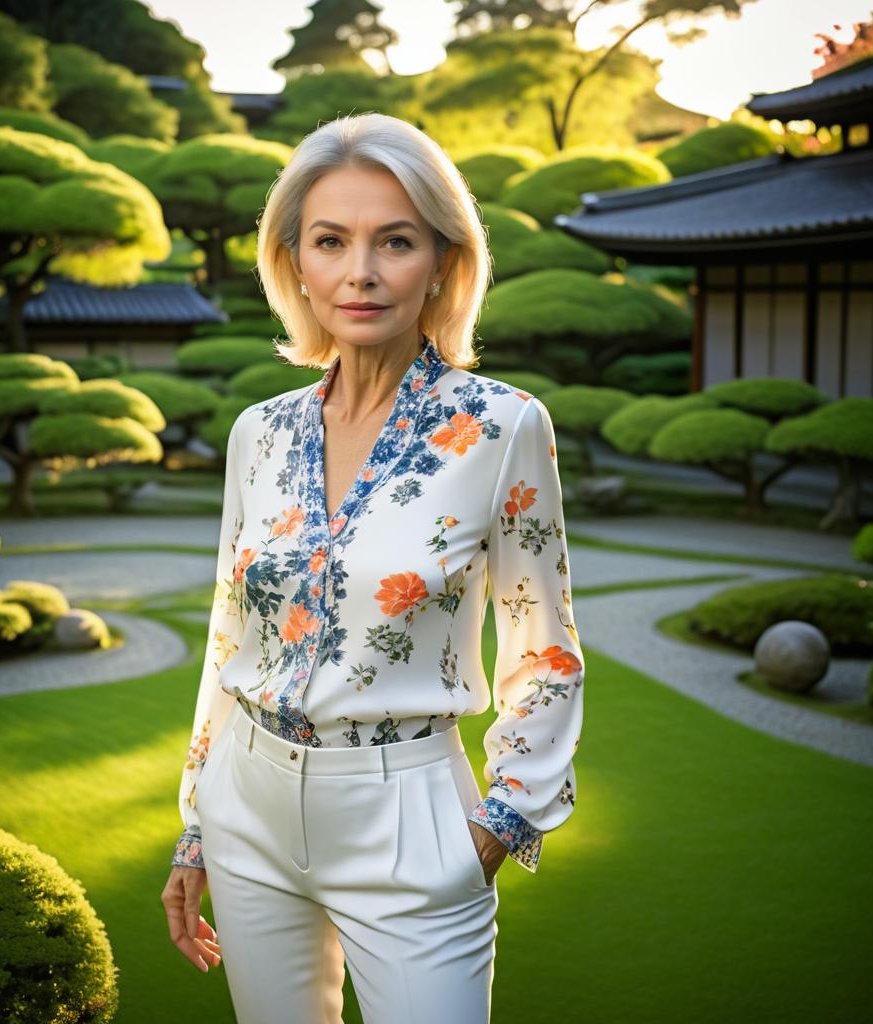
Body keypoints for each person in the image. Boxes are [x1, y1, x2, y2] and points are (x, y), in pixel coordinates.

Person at [161, 111, 585, 1023]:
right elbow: (230, 634)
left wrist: (497, 824)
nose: (360, 271)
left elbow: (544, 647)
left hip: (412, 821)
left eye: (394, 240)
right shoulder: (259, 434)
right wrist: (197, 823)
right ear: (295, 264)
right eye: (330, 241)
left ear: (440, 260)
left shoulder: (505, 427)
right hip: (248, 809)